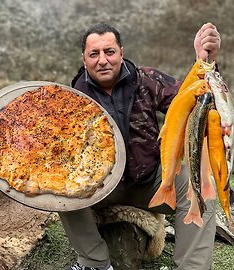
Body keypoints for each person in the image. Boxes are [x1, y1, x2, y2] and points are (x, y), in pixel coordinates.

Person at [60, 22, 222, 270]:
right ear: (84, 59)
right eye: (94, 54)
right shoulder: (71, 100)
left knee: (199, 182)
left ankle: (193, 266)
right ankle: (94, 262)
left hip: (151, 183)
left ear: (121, 53)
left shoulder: (147, 80)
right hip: (101, 189)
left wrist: (205, 63)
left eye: (109, 52)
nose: (102, 60)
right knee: (61, 186)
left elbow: (196, 103)